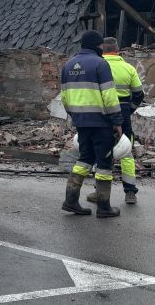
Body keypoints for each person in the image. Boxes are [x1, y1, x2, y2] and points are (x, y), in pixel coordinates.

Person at [60, 30, 124, 218]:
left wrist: (75, 115)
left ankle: (71, 200)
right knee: (104, 163)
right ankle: (104, 207)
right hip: (101, 122)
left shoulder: (68, 65)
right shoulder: (100, 64)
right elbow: (109, 96)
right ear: (99, 46)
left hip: (81, 121)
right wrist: (117, 121)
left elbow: (64, 97)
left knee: (85, 158)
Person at [86, 37, 144, 205]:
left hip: (101, 114)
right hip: (123, 113)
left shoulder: (97, 66)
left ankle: (100, 192)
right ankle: (130, 192)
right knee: (126, 152)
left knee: (101, 152)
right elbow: (139, 94)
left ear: (102, 50)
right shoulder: (128, 68)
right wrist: (129, 109)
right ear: (118, 50)